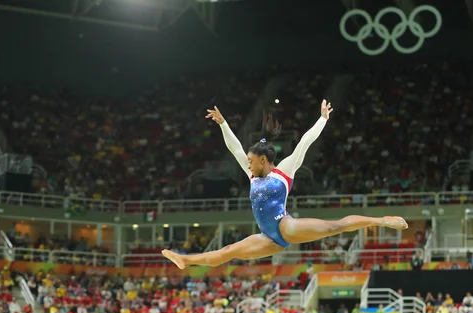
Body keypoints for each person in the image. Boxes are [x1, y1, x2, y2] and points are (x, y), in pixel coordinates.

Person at [162, 100, 408, 269]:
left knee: (334, 226)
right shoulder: (252, 176)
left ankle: (381, 220)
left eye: (250, 161)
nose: (246, 164)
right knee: (228, 251)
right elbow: (235, 148)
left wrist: (322, 119)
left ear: (263, 159)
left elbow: (305, 142)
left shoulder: (284, 172)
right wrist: (223, 124)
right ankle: (186, 260)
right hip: (267, 238)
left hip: (284, 226)